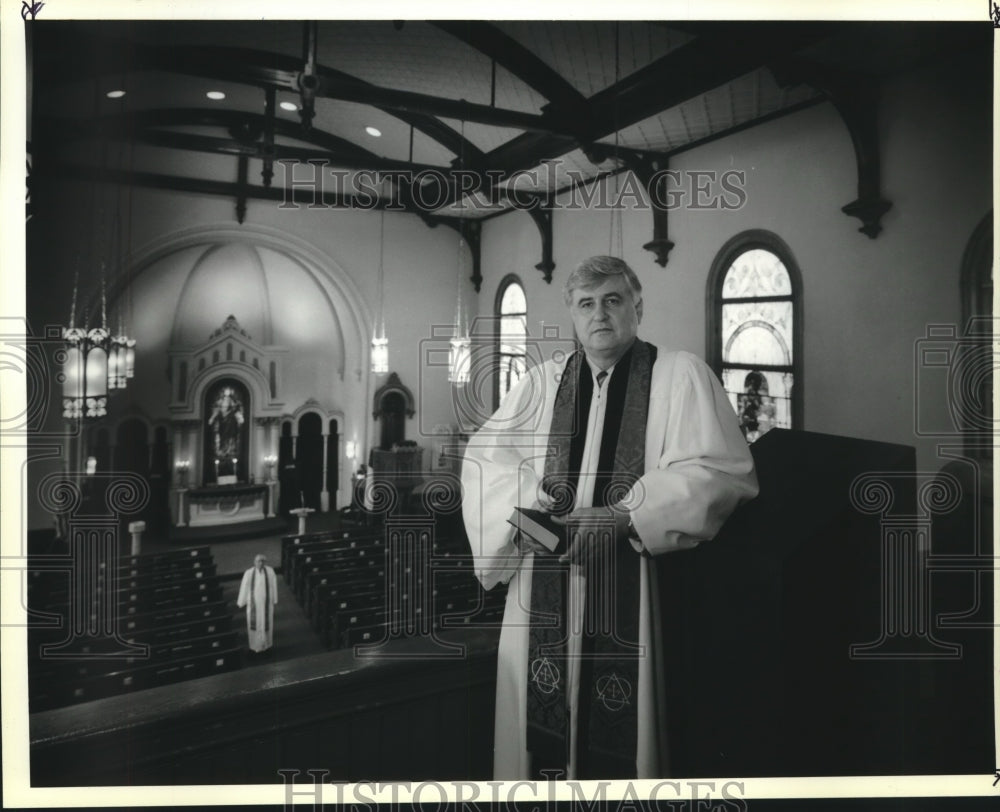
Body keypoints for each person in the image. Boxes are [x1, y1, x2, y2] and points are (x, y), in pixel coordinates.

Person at [461, 256, 758, 780]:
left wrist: (624, 518)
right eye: (586, 304)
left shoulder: (680, 374)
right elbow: (485, 467)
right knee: (541, 755)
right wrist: (539, 526)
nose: (600, 314)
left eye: (613, 300)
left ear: (637, 307)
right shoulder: (541, 384)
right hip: (542, 589)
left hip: (641, 586)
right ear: (573, 315)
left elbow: (720, 472)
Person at [237, 554, 278, 654]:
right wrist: (241, 601)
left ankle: (266, 646)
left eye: (262, 561)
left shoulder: (270, 571)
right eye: (258, 561)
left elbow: (273, 585)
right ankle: (255, 647)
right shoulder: (249, 573)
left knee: (267, 626)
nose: (260, 563)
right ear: (254, 562)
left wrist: (274, 599)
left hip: (266, 604)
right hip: (253, 605)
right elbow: (244, 587)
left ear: (265, 562)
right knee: (254, 628)